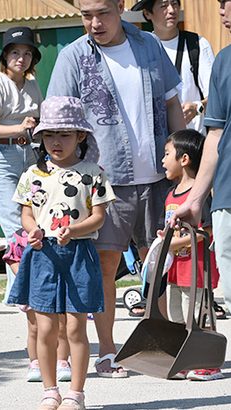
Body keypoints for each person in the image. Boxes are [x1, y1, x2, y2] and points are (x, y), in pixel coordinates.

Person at [46, 0, 186, 378]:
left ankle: (168, 346)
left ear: (120, 7)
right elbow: (59, 123)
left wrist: (182, 161)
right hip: (104, 183)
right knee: (104, 267)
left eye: (102, 13)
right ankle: (108, 352)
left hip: (159, 176)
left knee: (162, 264)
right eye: (86, 15)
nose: (94, 23)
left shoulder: (148, 45)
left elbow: (172, 104)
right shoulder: (71, 57)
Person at [0, 26, 70, 383]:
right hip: (1, 157)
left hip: (30, 156)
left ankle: (39, 299)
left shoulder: (31, 84)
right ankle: (27, 300)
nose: (21, 58)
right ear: (5, 55)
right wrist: (25, 125)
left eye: (27, 53)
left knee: (38, 226)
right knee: (18, 231)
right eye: (15, 52)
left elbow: (40, 125)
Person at [7, 96, 115, 410]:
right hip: (42, 255)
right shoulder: (32, 174)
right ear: (41, 137)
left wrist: (76, 230)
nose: (56, 141)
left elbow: (99, 216)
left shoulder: (93, 172)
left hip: (79, 253)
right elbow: (26, 214)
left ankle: (76, 394)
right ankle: (49, 390)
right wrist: (33, 230)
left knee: (75, 326)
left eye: (65, 134)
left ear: (81, 136)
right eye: (50, 134)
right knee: (45, 327)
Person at [172, 0, 231, 321]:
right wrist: (195, 200)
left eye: (226, 2)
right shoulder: (223, 62)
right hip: (227, 197)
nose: (221, 10)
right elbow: (215, 138)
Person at [158, 129, 222, 381]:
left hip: (197, 268)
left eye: (166, 154)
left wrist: (175, 243)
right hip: (175, 268)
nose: (163, 160)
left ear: (184, 159)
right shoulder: (170, 194)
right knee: (176, 315)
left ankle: (207, 362)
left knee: (198, 313)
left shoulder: (199, 193)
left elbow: (204, 232)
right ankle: (184, 358)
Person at [132, 0, 215, 134]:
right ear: (147, 13)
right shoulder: (140, 50)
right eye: (164, 5)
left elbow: (216, 96)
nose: (171, 10)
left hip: (193, 141)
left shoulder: (197, 45)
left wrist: (197, 108)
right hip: (157, 144)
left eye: (175, 4)